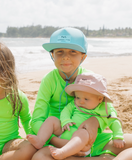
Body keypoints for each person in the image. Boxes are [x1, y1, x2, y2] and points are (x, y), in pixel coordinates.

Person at [31, 27, 132, 160]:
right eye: (59, 52)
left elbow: (108, 110)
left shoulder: (90, 78)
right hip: (59, 136)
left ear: (83, 56)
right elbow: (37, 120)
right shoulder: (49, 80)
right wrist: (56, 141)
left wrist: (95, 122)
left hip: (90, 137)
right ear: (52, 55)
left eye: (73, 52)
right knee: (39, 158)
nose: (65, 56)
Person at [28, 73, 124, 159]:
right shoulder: (75, 103)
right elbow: (66, 111)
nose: (80, 101)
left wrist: (118, 137)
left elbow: (114, 121)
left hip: (82, 143)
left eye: (86, 99)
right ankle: (40, 140)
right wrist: (65, 120)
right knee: (52, 119)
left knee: (82, 132)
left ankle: (63, 152)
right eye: (78, 97)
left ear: (99, 99)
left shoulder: (105, 108)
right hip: (65, 131)